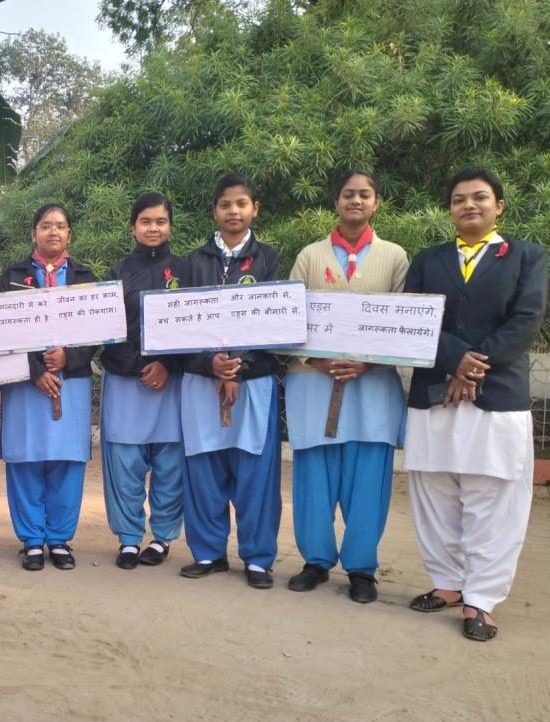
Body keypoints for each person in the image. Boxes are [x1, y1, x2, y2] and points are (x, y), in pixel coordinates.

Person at [403, 166, 547, 642]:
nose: (469, 205)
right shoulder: (429, 259)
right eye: (459, 199)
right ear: (449, 210)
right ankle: (447, 582)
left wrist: (473, 365)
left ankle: (481, 599)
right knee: (435, 490)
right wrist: (454, 360)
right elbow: (413, 317)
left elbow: (527, 319)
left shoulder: (527, 256)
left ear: (498, 206)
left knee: (494, 499)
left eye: (479, 197)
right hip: (435, 392)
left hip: (497, 395)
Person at [283, 170, 410, 603]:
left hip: (372, 387)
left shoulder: (394, 257)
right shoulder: (309, 256)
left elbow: (405, 325)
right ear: (335, 202)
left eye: (364, 194)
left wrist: (367, 361)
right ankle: (316, 561)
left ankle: (361, 569)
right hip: (312, 383)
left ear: (376, 202)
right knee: (313, 478)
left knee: (368, 479)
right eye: (347, 194)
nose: (355, 200)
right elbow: (289, 318)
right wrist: (317, 360)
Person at [178, 175, 282, 588]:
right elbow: (179, 325)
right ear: (214, 211)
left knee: (255, 470)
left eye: (241, 203)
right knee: (203, 468)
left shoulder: (269, 259)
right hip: (201, 381)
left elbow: (276, 321)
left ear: (255, 208)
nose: (233, 211)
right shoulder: (192, 262)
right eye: (225, 204)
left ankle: (257, 558)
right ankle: (208, 552)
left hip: (253, 381)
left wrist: (237, 366)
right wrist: (210, 364)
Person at [0, 204, 97, 570]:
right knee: (26, 458)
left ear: (69, 234)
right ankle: (32, 540)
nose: (53, 231)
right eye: (45, 225)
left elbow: (100, 331)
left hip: (72, 381)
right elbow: (0, 330)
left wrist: (69, 357)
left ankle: (59, 539)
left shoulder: (86, 278)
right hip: (25, 384)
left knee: (67, 460)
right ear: (33, 233)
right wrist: (36, 369)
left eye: (60, 226)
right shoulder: (12, 276)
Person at [100, 192, 187, 569]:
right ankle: (129, 538)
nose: (154, 228)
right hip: (126, 381)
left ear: (170, 226)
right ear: (133, 227)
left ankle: (162, 537)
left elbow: (197, 327)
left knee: (170, 462)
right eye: (146, 221)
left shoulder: (186, 271)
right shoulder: (116, 273)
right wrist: (139, 365)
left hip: (173, 382)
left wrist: (167, 364)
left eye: (161, 221)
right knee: (125, 462)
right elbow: (105, 331)